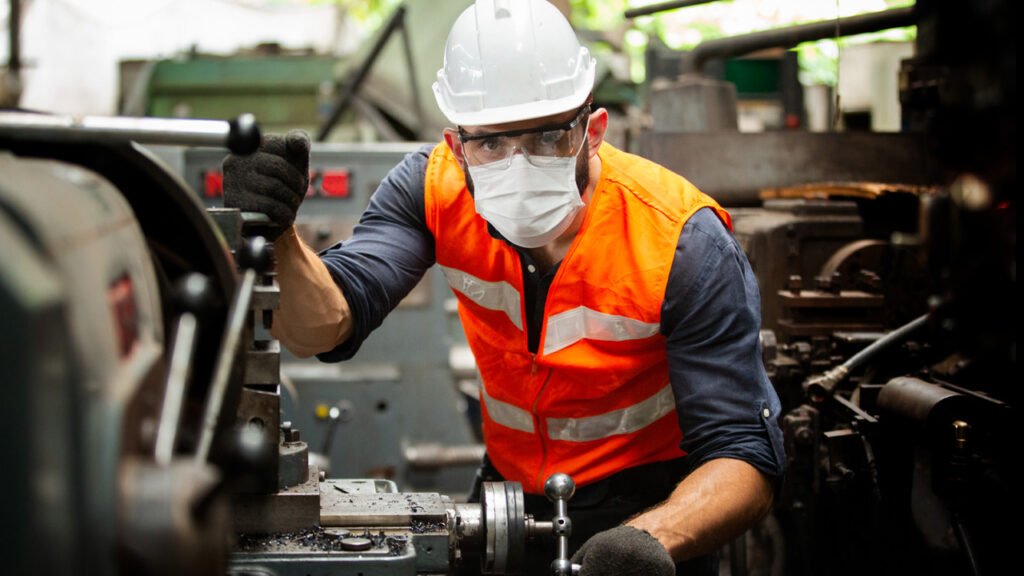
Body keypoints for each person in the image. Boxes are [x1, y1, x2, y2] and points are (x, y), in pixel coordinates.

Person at [222, 1, 784, 574]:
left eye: (546, 138)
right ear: (455, 144)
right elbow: (324, 325)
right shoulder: (430, 190)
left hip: (654, 517)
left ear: (592, 131)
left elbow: (746, 458)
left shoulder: (681, 241)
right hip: (505, 503)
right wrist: (278, 232)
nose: (518, 166)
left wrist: (652, 538)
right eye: (491, 144)